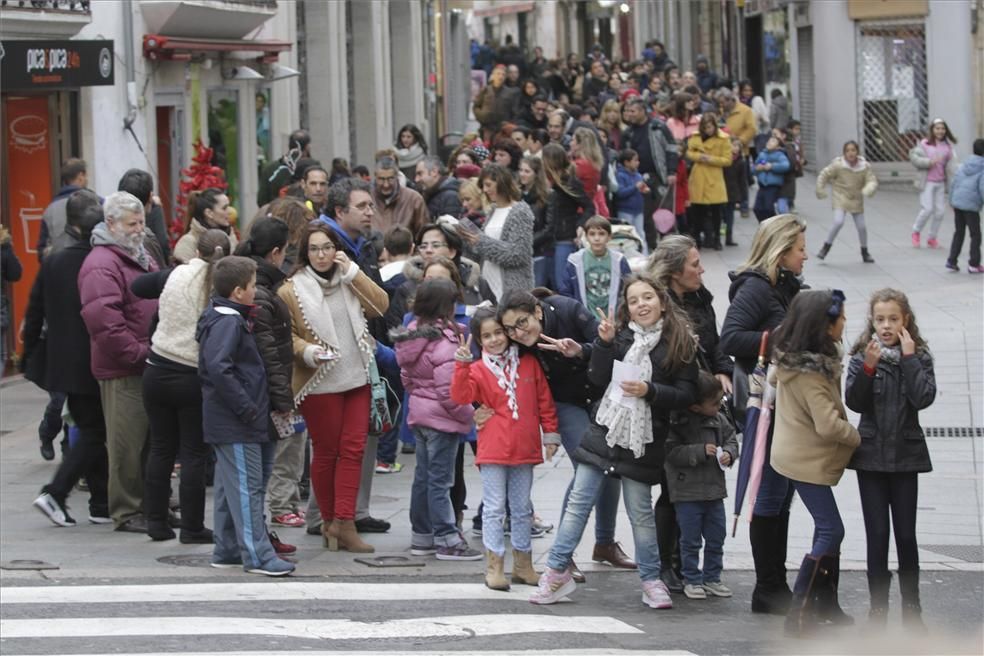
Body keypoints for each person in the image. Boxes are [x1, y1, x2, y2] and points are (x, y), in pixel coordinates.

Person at [530, 274, 699, 608]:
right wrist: (604, 344)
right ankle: (555, 572)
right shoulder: (620, 336)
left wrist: (650, 391)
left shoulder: (680, 342)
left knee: (639, 512)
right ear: (628, 308)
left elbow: (687, 394)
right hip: (605, 431)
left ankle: (651, 580)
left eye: (648, 297)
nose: (642, 305)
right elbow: (596, 378)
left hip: (643, 440)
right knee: (579, 503)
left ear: (662, 301)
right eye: (634, 300)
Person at [497, 289, 633, 581]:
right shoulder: (515, 342)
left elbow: (613, 347)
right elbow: (488, 363)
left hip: (601, 396)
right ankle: (563, 554)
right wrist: (479, 405)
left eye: (521, 323)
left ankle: (605, 543)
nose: (517, 333)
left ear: (536, 311)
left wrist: (581, 350)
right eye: (509, 329)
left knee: (611, 469)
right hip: (564, 403)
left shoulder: (568, 310)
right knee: (590, 467)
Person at [278, 222, 389, 552]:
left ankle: (345, 523)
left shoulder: (348, 279)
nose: (322, 254)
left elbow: (381, 305)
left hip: (356, 376)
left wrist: (353, 272)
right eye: (314, 249)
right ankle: (329, 522)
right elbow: (288, 337)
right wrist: (308, 352)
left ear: (337, 248)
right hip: (318, 381)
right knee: (327, 452)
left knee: (354, 450)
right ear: (305, 254)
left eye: (327, 247)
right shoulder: (291, 290)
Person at [719, 213, 807, 615]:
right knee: (769, 494)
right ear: (781, 250)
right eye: (800, 249)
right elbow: (731, 338)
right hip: (766, 407)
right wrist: (784, 338)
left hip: (786, 405)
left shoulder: (785, 287)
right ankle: (768, 587)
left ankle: (774, 585)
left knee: (781, 496)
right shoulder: (756, 288)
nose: (805, 256)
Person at [196, 256, 294, 576]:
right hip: (237, 420)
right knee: (247, 488)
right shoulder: (228, 321)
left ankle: (227, 548)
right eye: (252, 286)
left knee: (232, 486)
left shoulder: (227, 317)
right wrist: (247, 407)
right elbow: (219, 369)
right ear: (238, 291)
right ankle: (257, 554)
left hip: (238, 419)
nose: (256, 291)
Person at [769, 289, 860, 637]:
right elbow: (828, 425)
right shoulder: (809, 374)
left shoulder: (797, 361)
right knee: (831, 529)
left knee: (829, 529)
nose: (846, 322)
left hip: (795, 454)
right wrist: (856, 437)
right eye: (841, 318)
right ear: (824, 326)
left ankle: (825, 606)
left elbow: (778, 381)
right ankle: (801, 612)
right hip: (803, 459)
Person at [845, 288, 936, 630]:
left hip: (905, 457)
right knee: (877, 534)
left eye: (893, 319)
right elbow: (854, 402)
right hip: (870, 458)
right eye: (880, 319)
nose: (886, 326)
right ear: (872, 320)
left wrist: (910, 359)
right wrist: (867, 368)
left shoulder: (920, 356)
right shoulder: (861, 357)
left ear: (905, 321)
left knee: (906, 535)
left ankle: (913, 609)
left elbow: (924, 397)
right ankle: (878, 610)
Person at [451, 307, 560, 589]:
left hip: (524, 447)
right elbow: (461, 395)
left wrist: (550, 434)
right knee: (494, 508)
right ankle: (495, 566)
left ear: (508, 334)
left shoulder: (529, 364)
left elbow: (544, 400)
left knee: (522, 508)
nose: (495, 340)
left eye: (498, 332)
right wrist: (462, 365)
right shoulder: (476, 369)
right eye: (486, 336)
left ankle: (523, 565)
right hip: (493, 449)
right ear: (478, 340)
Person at [78, 191, 160, 533]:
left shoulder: (137, 254)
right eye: (132, 223)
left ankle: (148, 505)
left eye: (141, 222)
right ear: (111, 224)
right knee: (127, 443)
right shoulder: (102, 263)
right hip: (124, 367)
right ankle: (127, 510)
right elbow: (105, 323)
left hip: (148, 361)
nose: (139, 228)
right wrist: (139, 354)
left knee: (147, 442)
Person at [142, 229, 230, 542]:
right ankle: (192, 527)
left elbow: (137, 286)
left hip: (156, 368)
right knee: (193, 453)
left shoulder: (175, 274)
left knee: (161, 448)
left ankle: (155, 521)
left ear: (195, 251)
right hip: (191, 375)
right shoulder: (223, 284)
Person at [26, 193, 107, 527]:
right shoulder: (96, 262)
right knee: (93, 430)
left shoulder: (54, 260)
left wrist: (32, 353)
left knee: (92, 427)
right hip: (90, 357)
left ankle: (101, 502)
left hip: (63, 359)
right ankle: (55, 492)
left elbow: (34, 311)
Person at [392, 278, 481, 561]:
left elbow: (407, 377)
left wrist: (421, 398)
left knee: (423, 478)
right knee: (441, 481)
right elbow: (450, 392)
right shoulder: (444, 342)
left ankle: (422, 536)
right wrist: (471, 415)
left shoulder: (412, 335)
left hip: (420, 414)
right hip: (443, 420)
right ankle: (447, 538)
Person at [237, 218, 304, 536]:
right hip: (260, 395)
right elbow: (269, 354)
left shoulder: (257, 284)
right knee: (257, 476)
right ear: (276, 252)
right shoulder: (260, 293)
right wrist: (282, 401)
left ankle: (257, 536)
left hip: (257, 393)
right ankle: (257, 538)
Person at [664, 371, 739, 600]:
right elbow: (670, 452)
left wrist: (729, 453)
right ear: (696, 407)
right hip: (687, 493)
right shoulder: (678, 422)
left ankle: (712, 577)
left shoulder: (719, 420)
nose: (719, 406)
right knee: (690, 540)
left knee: (717, 536)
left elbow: (731, 439)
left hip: (714, 492)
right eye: (714, 403)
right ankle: (692, 578)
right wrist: (698, 451)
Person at [457, 164, 535, 299]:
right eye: (484, 186)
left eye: (488, 185)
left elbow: (518, 254)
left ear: (501, 183)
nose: (485, 190)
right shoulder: (492, 210)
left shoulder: (520, 211)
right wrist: (467, 238)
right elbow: (483, 248)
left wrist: (480, 241)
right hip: (488, 279)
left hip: (511, 285)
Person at [622, 96, 679, 250]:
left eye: (633, 111)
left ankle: (671, 249)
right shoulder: (628, 133)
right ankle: (653, 249)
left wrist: (672, 171)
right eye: (627, 111)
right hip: (639, 179)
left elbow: (672, 148)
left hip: (660, 177)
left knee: (665, 215)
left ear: (642, 111)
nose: (629, 114)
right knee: (646, 217)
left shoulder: (658, 127)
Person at [815, 141, 879, 263]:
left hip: (856, 198)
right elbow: (824, 174)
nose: (851, 153)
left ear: (857, 152)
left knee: (861, 227)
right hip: (841, 196)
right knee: (838, 221)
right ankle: (826, 247)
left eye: (853, 150)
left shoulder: (864, 167)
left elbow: (872, 180)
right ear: (844, 153)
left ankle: (864, 251)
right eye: (848, 150)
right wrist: (820, 188)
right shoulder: (838, 165)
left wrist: (869, 188)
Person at [542, 144, 595, 289]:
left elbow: (589, 206)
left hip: (564, 238)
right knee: (551, 284)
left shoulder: (569, 183)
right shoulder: (545, 184)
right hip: (548, 240)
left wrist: (580, 225)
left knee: (563, 284)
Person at [557, 215, 631, 317]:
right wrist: (577, 314)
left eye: (601, 234)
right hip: (585, 319)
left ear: (609, 237)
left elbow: (627, 289)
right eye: (592, 234)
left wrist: (621, 315)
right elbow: (566, 291)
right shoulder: (575, 261)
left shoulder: (619, 260)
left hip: (613, 318)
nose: (597, 238)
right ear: (586, 237)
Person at [910, 119, 959, 249]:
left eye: (942, 128)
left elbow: (952, 166)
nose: (940, 131)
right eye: (937, 128)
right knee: (927, 209)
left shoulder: (948, 147)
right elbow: (914, 158)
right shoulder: (924, 144)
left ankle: (932, 238)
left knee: (940, 212)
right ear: (932, 130)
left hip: (941, 182)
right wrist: (929, 162)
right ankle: (916, 231)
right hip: (927, 182)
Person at [685, 113, 731, 250]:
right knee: (697, 211)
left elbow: (727, 160)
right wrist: (700, 157)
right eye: (705, 127)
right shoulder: (695, 137)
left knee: (716, 211)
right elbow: (689, 153)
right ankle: (698, 238)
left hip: (714, 177)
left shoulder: (723, 139)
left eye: (710, 127)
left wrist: (710, 159)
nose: (708, 130)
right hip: (698, 176)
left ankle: (717, 238)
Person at [945, 138, 984, 273]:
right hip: (971, 206)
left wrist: (951, 200)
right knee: (975, 235)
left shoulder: (964, 164)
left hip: (958, 204)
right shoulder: (982, 168)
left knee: (959, 232)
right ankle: (974, 264)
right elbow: (982, 188)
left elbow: (954, 183)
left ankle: (951, 260)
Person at [37, 158, 88, 258]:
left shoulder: (49, 210)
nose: (87, 179)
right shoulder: (95, 202)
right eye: (86, 176)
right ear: (81, 176)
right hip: (86, 264)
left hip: (57, 266)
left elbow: (41, 251)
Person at [718, 88, 756, 217]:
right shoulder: (722, 111)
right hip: (724, 151)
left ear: (731, 100)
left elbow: (751, 129)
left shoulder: (745, 110)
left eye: (724, 103)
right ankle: (731, 203)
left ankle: (744, 205)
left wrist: (740, 141)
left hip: (740, 151)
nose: (721, 106)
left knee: (742, 180)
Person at [173, 188, 239, 264]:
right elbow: (183, 273)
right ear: (209, 213)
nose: (230, 211)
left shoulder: (231, 236)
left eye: (229, 206)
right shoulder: (188, 242)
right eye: (224, 208)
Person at [371, 156, 429, 239]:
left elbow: (423, 236)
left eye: (390, 179)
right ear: (375, 177)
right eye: (381, 179)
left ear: (397, 177)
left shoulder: (414, 199)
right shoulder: (368, 199)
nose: (386, 184)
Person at [518, 156, 552, 286]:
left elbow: (548, 228)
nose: (522, 174)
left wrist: (528, 242)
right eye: (521, 170)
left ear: (536, 174)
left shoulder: (547, 196)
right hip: (519, 252)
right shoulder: (516, 194)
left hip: (539, 251)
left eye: (527, 171)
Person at [258, 129, 311, 207]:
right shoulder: (311, 169)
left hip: (275, 214)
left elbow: (261, 200)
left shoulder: (270, 169)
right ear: (307, 147)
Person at [614, 149, 650, 253]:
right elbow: (620, 193)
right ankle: (629, 256)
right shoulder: (620, 175)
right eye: (635, 160)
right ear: (626, 162)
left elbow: (639, 189)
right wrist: (635, 187)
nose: (637, 163)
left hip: (638, 210)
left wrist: (644, 190)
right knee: (627, 235)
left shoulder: (638, 175)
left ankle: (644, 256)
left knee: (640, 234)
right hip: (625, 210)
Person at [474, 65, 520, 142]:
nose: (500, 76)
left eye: (503, 74)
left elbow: (515, 111)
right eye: (498, 74)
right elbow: (476, 106)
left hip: (503, 129)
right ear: (493, 75)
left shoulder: (510, 93)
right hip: (487, 127)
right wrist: (482, 116)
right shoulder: (486, 90)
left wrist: (510, 124)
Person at [752, 136, 790, 222]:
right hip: (762, 186)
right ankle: (764, 224)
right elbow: (753, 168)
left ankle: (773, 224)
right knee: (757, 208)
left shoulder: (780, 155)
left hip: (772, 186)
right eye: (769, 141)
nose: (769, 143)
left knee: (768, 208)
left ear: (778, 146)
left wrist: (772, 166)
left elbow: (785, 166)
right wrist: (756, 168)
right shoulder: (762, 154)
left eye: (773, 141)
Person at [722, 136, 746, 247]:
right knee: (722, 214)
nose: (735, 148)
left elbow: (742, 180)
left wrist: (742, 197)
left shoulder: (741, 162)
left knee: (730, 215)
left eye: (738, 146)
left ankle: (729, 237)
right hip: (721, 190)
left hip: (733, 192)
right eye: (733, 145)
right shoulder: (723, 160)